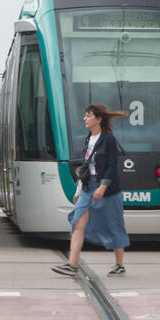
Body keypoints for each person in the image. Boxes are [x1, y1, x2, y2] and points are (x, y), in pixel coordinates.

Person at [53, 103, 130, 277]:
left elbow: (111, 165)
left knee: (114, 224)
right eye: (85, 115)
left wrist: (103, 186)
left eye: (88, 116)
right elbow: (86, 166)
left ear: (99, 119)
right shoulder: (89, 138)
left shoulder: (108, 139)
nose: (85, 119)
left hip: (108, 188)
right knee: (77, 222)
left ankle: (119, 264)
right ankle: (72, 264)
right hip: (88, 186)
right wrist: (78, 190)